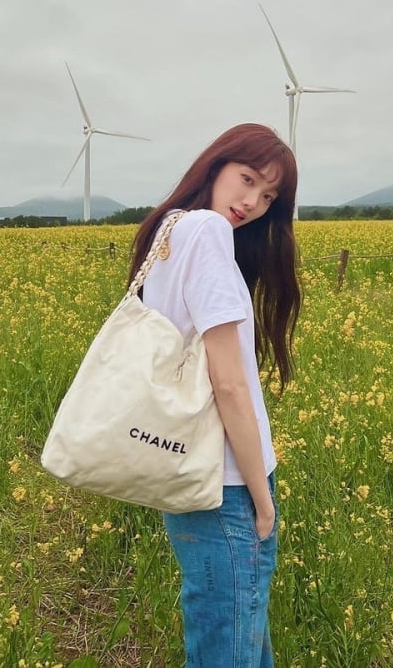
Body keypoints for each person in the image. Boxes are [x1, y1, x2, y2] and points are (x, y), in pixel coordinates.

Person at [128, 123, 302, 668]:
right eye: (247, 179)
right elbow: (228, 383)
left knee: (234, 639)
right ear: (217, 165)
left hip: (186, 470)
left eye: (269, 196)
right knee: (230, 648)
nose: (252, 203)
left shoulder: (170, 229)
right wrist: (262, 501)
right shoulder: (205, 230)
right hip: (226, 483)